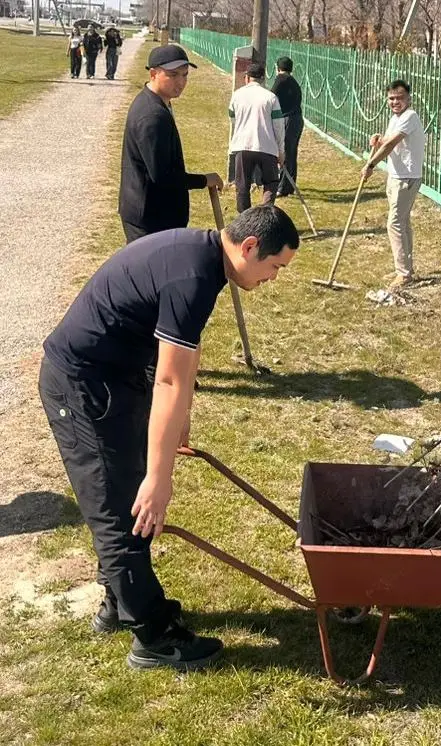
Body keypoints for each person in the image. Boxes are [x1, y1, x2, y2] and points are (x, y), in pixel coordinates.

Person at [38, 205, 301, 671]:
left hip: (113, 377)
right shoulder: (194, 276)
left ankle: (119, 603)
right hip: (80, 384)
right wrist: (160, 478)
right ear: (249, 247)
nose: (272, 279)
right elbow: (168, 383)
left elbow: (184, 350)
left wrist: (182, 417)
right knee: (121, 510)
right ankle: (155, 639)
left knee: (124, 495)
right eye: (274, 267)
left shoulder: (202, 256)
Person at [119, 44, 223, 244]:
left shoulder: (159, 103)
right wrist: (204, 180)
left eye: (185, 75)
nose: (181, 82)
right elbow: (163, 177)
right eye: (173, 75)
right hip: (151, 219)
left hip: (153, 214)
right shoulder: (152, 116)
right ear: (154, 73)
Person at [362, 79, 426, 290]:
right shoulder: (396, 118)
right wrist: (377, 139)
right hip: (396, 175)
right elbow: (387, 140)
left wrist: (371, 164)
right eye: (391, 98)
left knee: (394, 223)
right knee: (403, 222)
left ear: (408, 98)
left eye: (399, 98)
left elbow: (392, 144)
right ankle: (406, 267)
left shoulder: (410, 116)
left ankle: (404, 274)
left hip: (406, 177)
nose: (395, 102)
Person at [228, 62, 285, 213]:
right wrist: (281, 150)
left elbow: (233, 119)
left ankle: (243, 219)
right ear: (263, 79)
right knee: (271, 183)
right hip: (267, 146)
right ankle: (265, 216)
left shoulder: (237, 95)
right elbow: (278, 126)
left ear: (246, 78)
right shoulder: (271, 97)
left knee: (242, 186)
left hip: (243, 145)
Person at [271, 56, 303, 198]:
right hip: (297, 119)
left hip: (288, 119)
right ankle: (290, 185)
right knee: (292, 152)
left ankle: (283, 187)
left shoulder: (281, 80)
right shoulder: (293, 82)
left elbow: (271, 97)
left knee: (285, 153)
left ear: (278, 68)